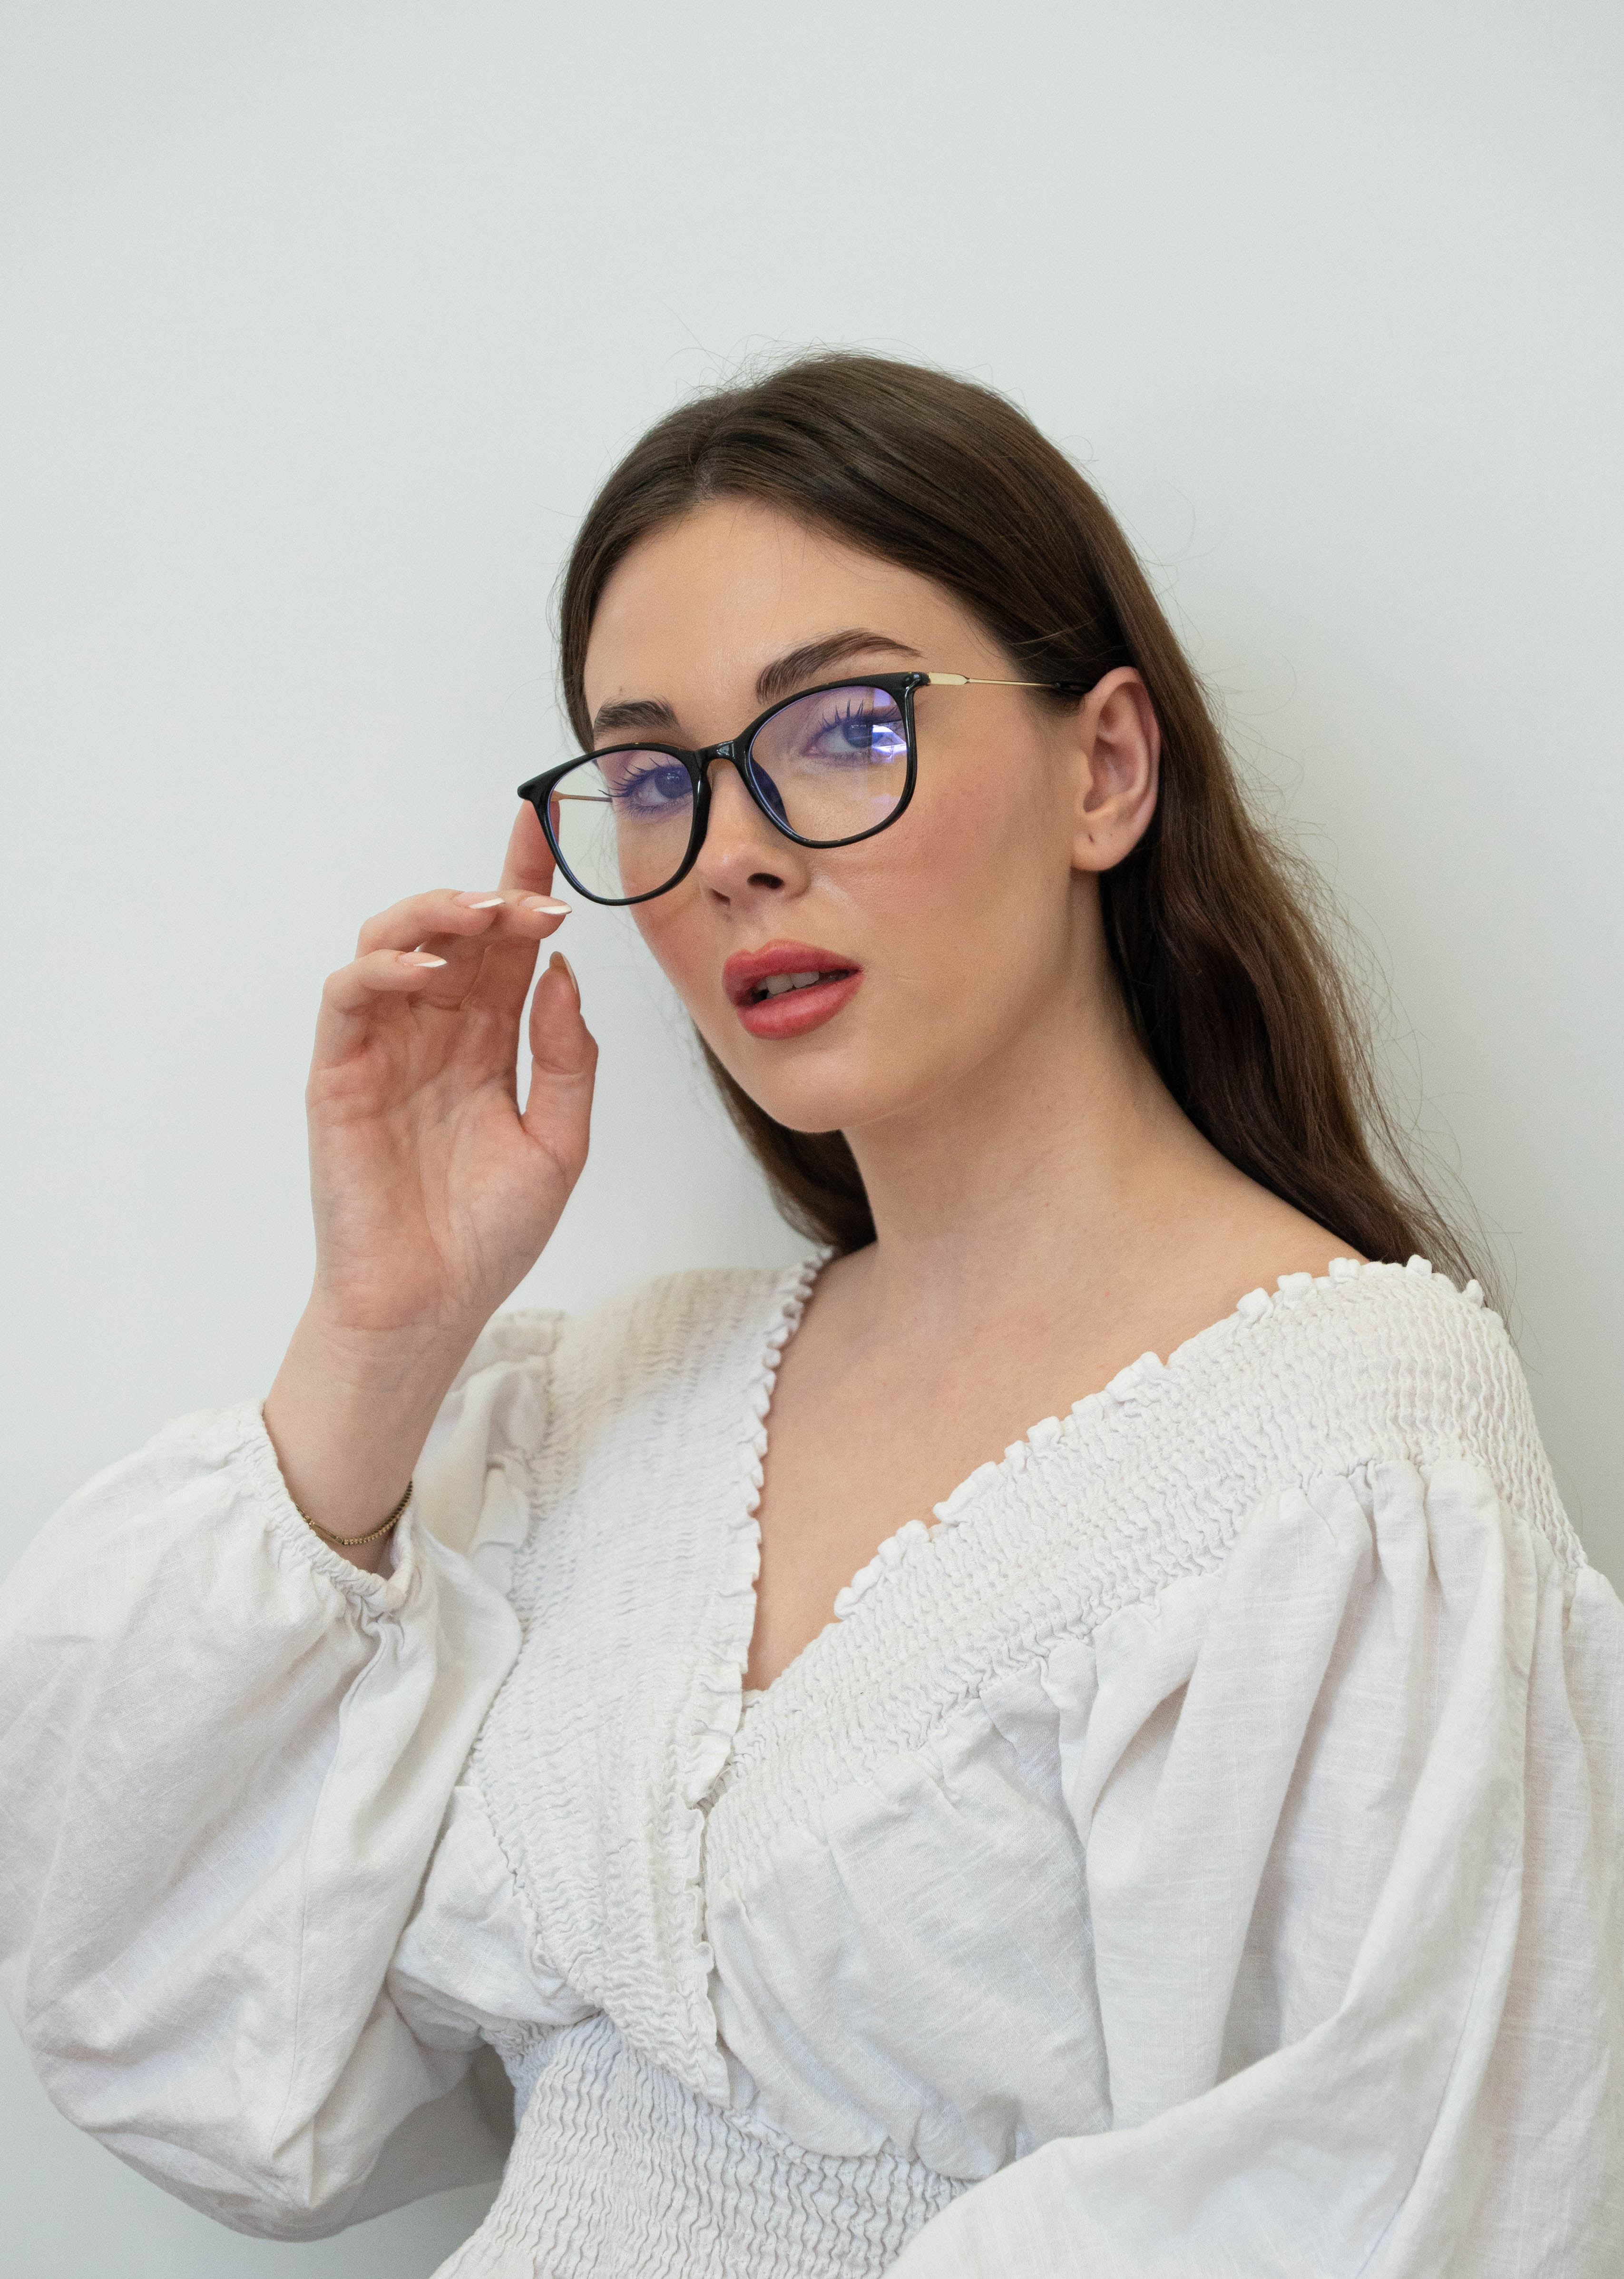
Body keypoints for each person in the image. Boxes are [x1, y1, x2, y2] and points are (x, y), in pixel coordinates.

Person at [1, 353, 1619, 2279]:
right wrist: (380, 1334)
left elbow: (1400, 2212)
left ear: (1104, 769)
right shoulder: (614, 1410)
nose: (735, 852)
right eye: (655, 779)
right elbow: (183, 2034)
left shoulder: (1347, 1459)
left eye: (845, 727)